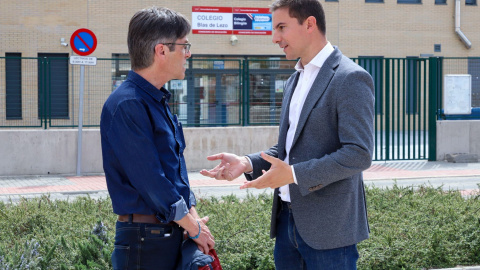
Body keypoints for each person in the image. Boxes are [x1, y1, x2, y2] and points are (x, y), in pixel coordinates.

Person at [200, 0, 374, 269]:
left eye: (281, 27)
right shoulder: (295, 79)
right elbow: (289, 148)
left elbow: (358, 154)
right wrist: (247, 163)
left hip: (330, 232)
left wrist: (293, 175)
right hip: (285, 224)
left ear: (309, 24)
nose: (274, 38)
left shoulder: (350, 78)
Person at [100, 7, 214, 270]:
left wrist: (194, 222)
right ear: (161, 50)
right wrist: (193, 226)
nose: (188, 54)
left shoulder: (157, 100)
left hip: (167, 234)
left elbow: (176, 174)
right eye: (184, 46)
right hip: (144, 242)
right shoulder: (127, 104)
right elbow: (151, 180)